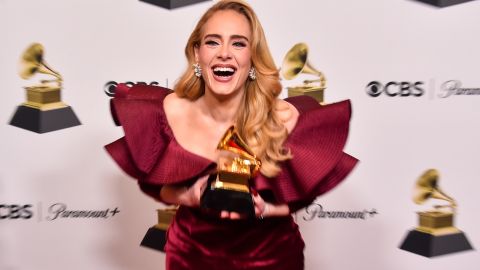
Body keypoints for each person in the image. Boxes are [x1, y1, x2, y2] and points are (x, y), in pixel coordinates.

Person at [105, 0, 357, 269]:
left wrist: (266, 209)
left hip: (271, 257)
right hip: (191, 256)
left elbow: (302, 194)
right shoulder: (166, 112)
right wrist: (187, 196)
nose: (224, 53)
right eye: (213, 42)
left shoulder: (283, 117)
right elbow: (157, 186)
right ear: (197, 53)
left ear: (252, 57)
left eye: (238, 43)